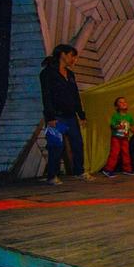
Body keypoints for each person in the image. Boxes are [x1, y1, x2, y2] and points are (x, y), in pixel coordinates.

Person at [39, 44, 93, 185]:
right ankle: (52, 175)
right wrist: (50, 117)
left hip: (71, 115)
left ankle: (79, 171)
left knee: (77, 143)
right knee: (56, 145)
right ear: (63, 54)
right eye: (72, 56)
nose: (74, 59)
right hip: (56, 116)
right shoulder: (47, 73)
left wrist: (81, 114)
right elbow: (46, 96)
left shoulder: (70, 74)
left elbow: (75, 95)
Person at [101, 97, 134, 178]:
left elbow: (132, 126)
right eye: (120, 102)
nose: (123, 103)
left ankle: (127, 169)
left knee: (126, 153)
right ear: (117, 107)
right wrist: (118, 126)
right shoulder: (116, 116)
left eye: (125, 102)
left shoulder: (129, 116)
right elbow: (112, 125)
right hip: (116, 138)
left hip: (125, 138)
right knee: (115, 153)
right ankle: (108, 170)